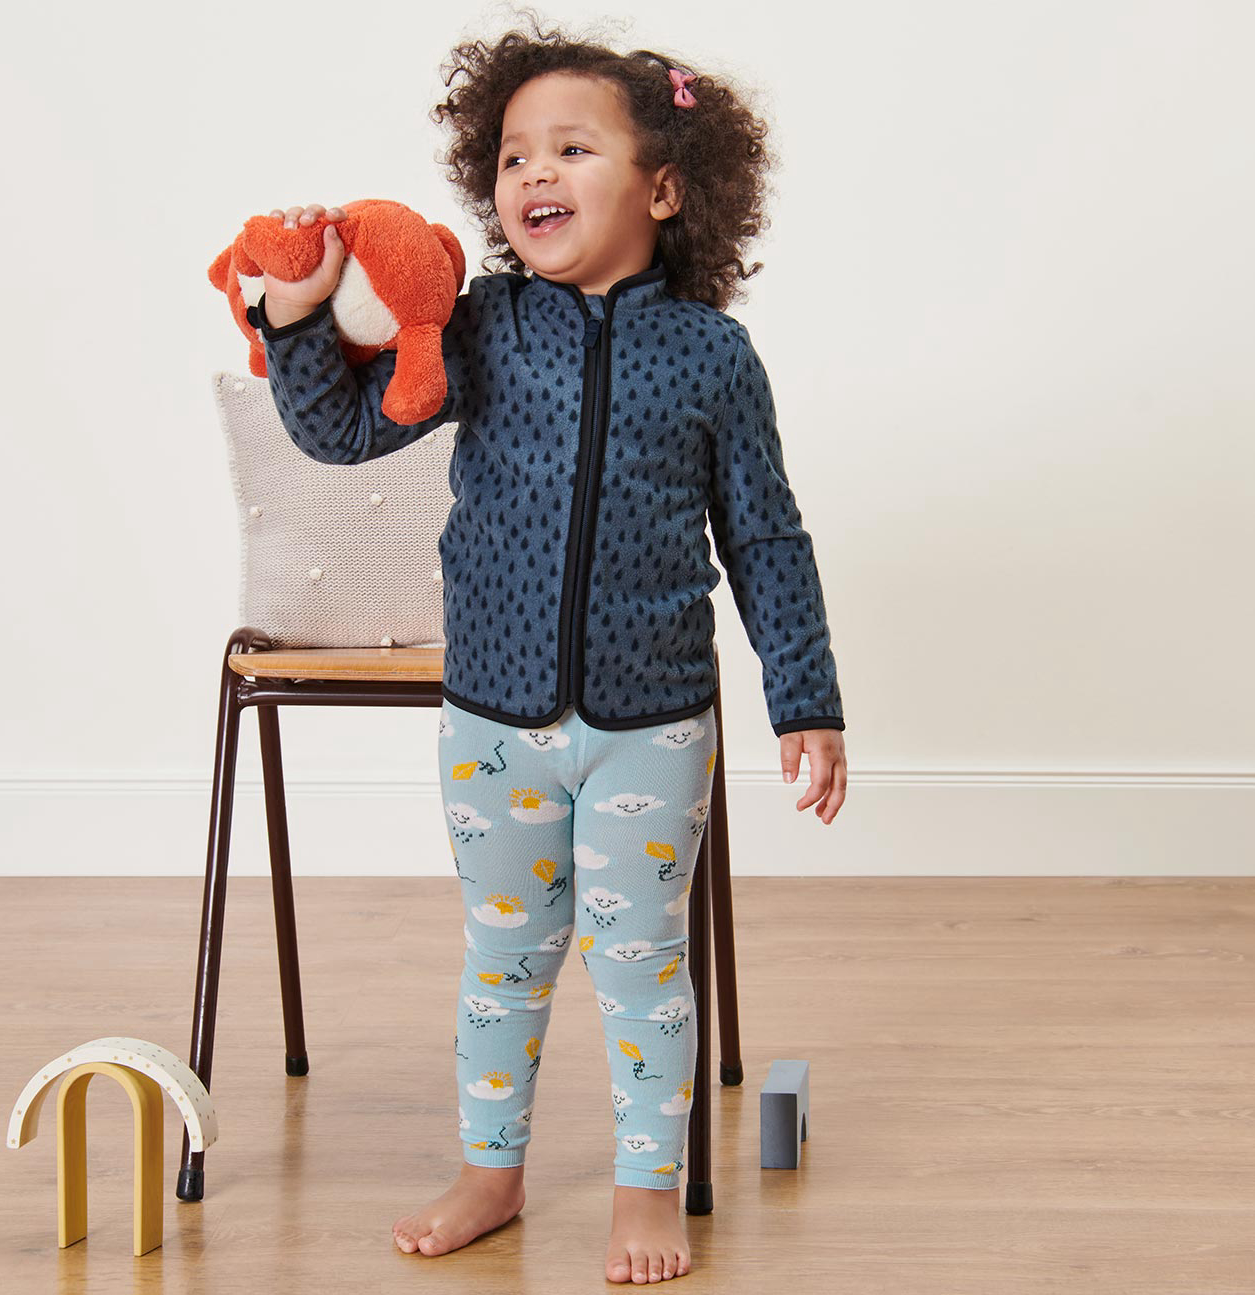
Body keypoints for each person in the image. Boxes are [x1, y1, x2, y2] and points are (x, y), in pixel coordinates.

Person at [246, 13, 848, 1284]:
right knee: (504, 959)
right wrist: (295, 318)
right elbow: (344, 433)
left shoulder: (712, 356)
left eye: (572, 149)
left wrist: (806, 696)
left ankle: (645, 1187)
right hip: (492, 719)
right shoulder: (479, 329)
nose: (534, 173)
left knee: (641, 963)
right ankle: (491, 1170)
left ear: (665, 187)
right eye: (515, 154)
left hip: (652, 723)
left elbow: (766, 535)